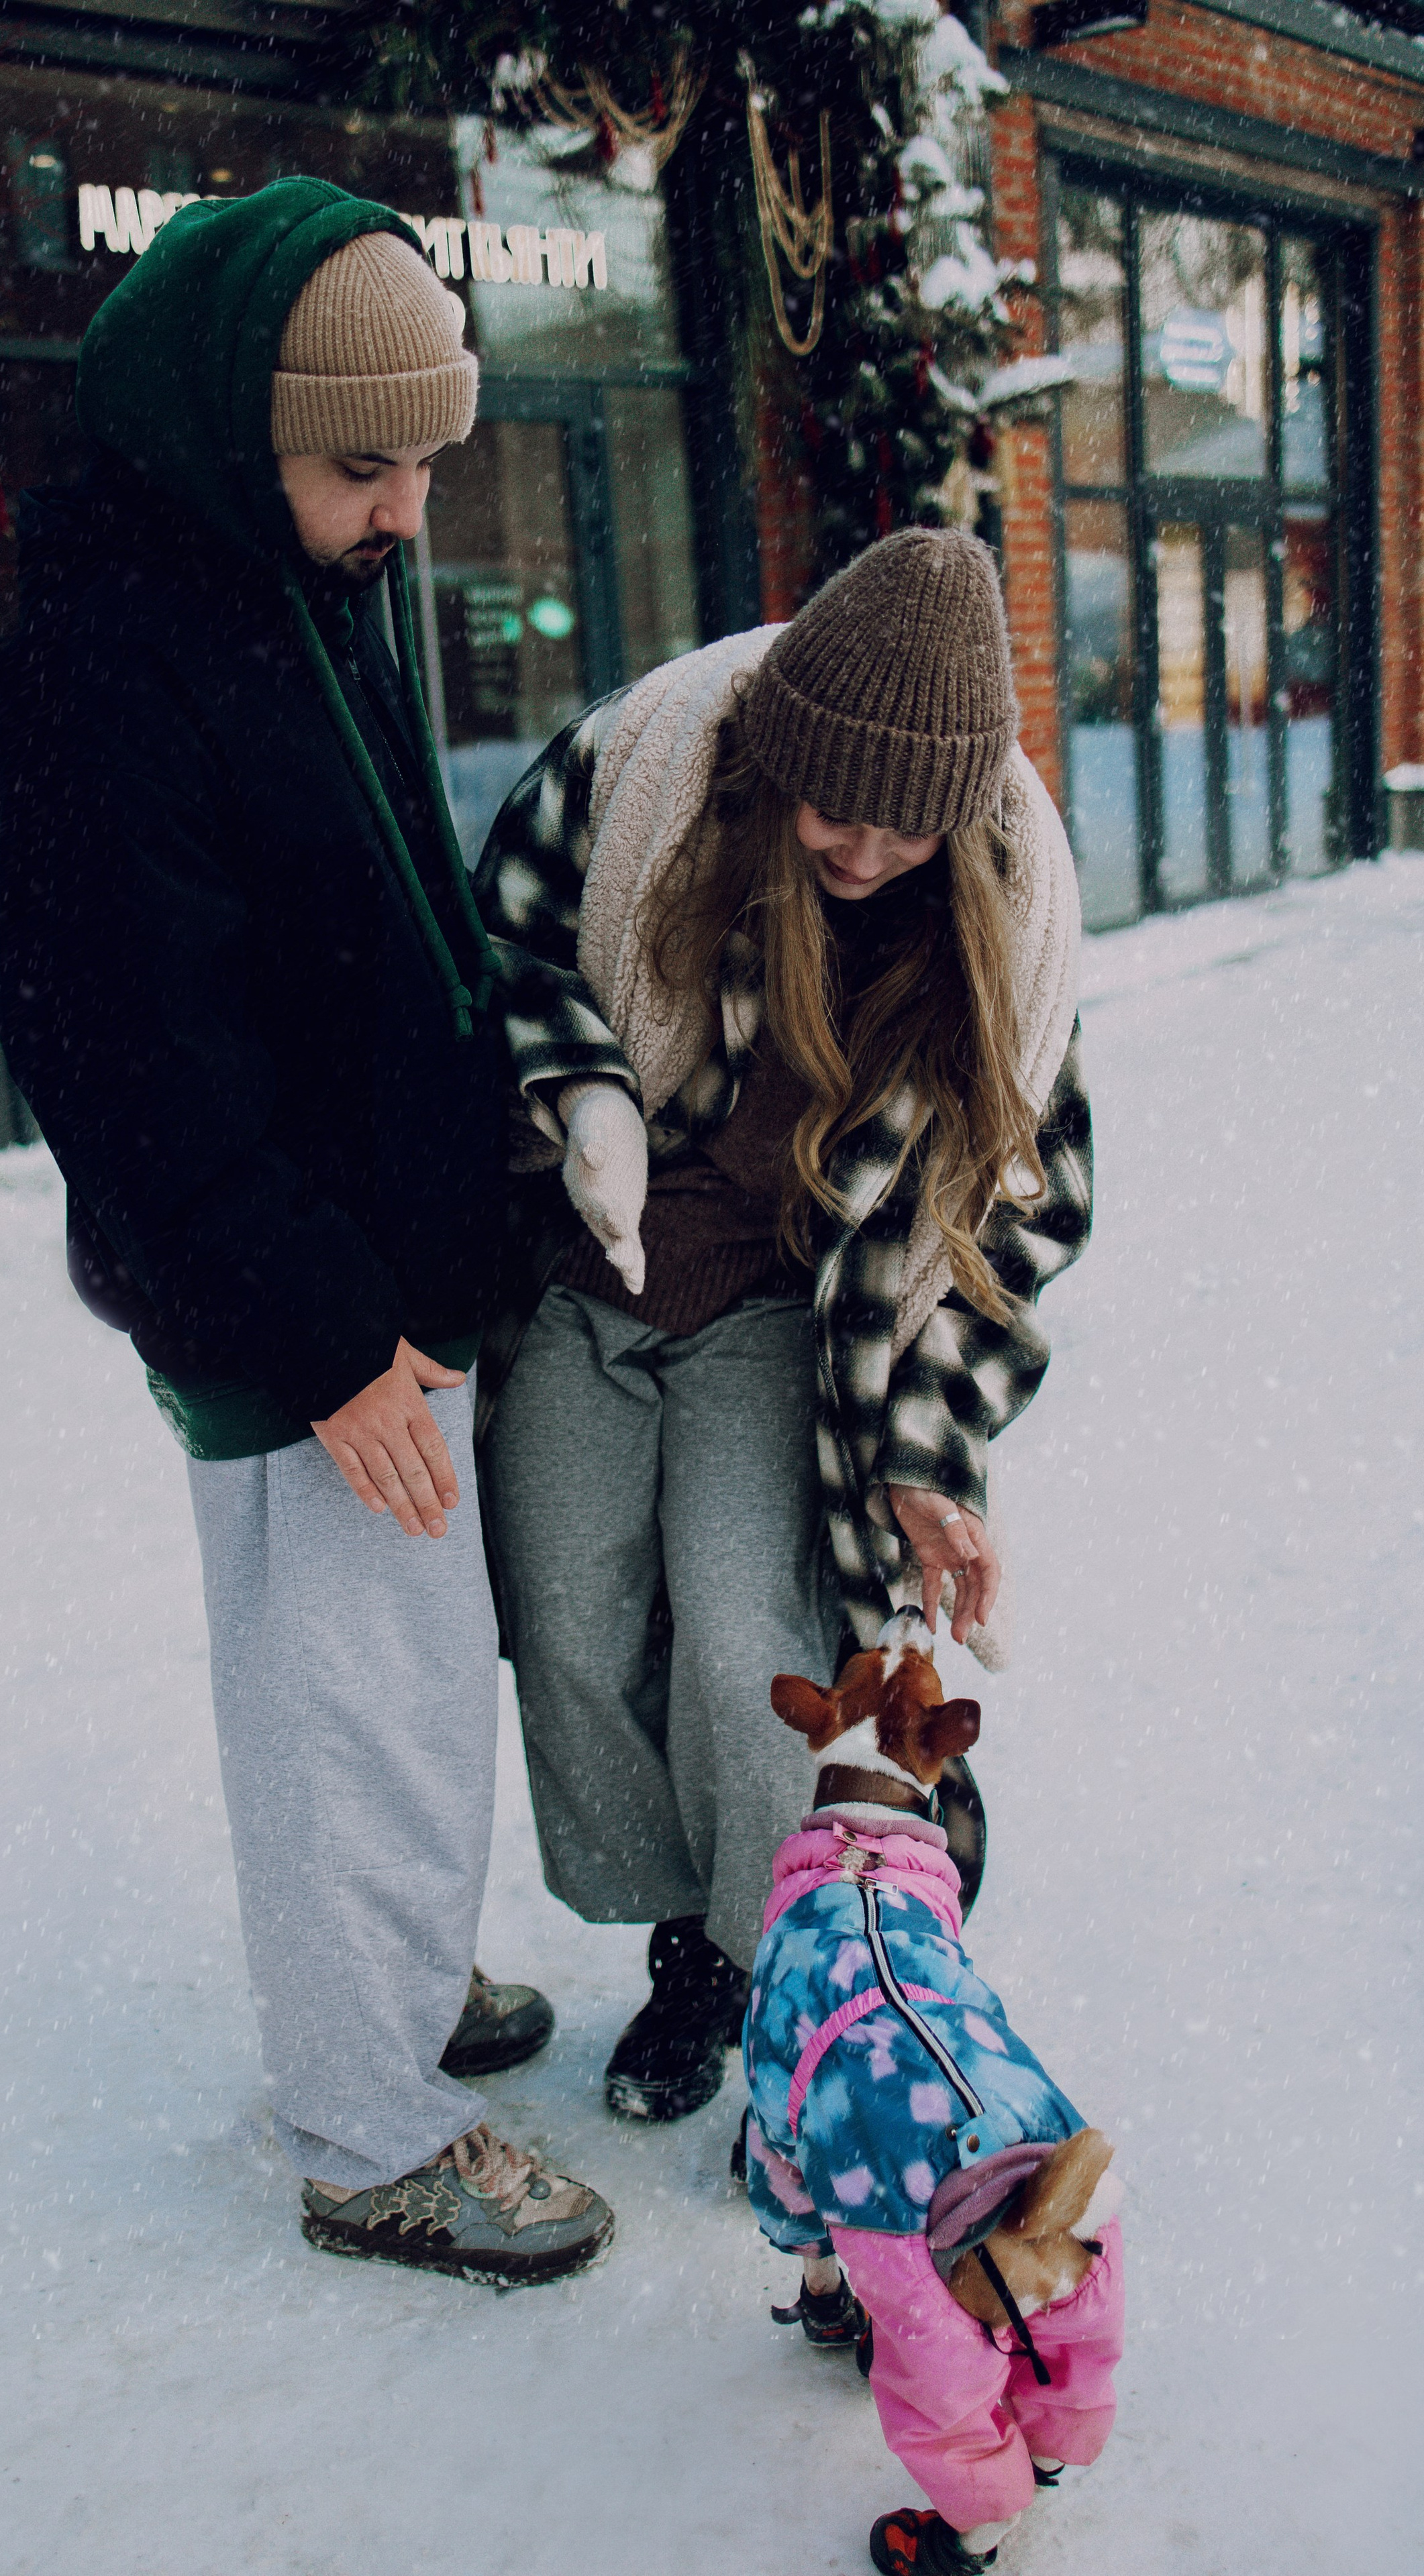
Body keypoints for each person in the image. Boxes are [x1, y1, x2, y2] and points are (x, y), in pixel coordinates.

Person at [0, 178, 612, 2287]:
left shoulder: (292, 582)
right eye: (365, 465)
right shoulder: (99, 665)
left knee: (407, 1672)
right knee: (346, 1693)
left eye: (427, 458)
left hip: (379, 1261)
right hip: (289, 1295)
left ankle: (394, 1987)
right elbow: (135, 1073)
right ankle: (368, 2130)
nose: (409, 509)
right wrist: (324, 1325)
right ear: (232, 431)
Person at [474, 529, 1092, 2123]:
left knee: (748, 1638)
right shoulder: (643, 776)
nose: (866, 848)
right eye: (836, 805)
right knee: (569, 1615)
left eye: (908, 825)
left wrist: (928, 1455)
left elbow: (1015, 1209)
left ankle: (770, 1985)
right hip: (579, 1267)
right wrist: (578, 1086)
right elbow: (486, 949)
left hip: (777, 1306)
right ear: (776, 757)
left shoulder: (1002, 918)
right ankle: (683, 1924)